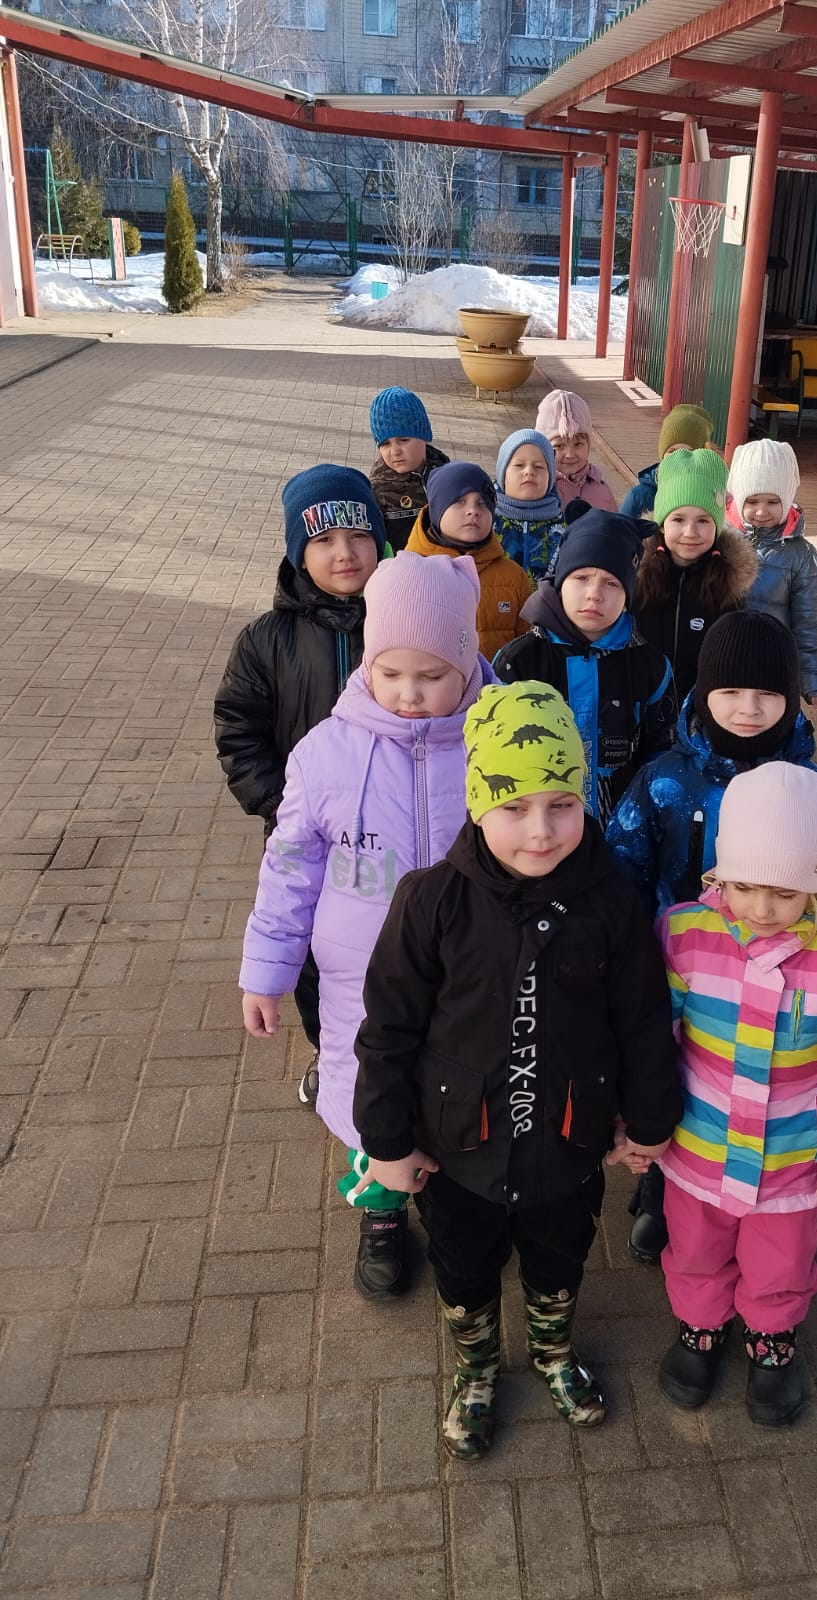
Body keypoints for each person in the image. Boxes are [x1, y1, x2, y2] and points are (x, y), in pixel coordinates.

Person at [351, 682, 683, 1460]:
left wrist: (649, 1122)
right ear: (477, 803)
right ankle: (474, 1369)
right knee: (463, 1268)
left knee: (560, 1259)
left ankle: (553, 1351)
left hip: (568, 1146)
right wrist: (387, 1142)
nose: (541, 830)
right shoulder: (431, 901)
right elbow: (389, 1030)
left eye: (562, 805)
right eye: (514, 806)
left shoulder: (611, 904)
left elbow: (641, 1020)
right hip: (456, 1152)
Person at [239, 552, 490, 1302]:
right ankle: (379, 1207)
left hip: (471, 973)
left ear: (467, 662)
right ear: (367, 663)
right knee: (371, 1096)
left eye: (432, 676)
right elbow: (289, 870)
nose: (410, 694)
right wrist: (267, 972)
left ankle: (464, 1205)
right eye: (391, 673)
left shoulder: (497, 742)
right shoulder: (326, 753)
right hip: (363, 980)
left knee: (463, 1092)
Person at [604, 610, 817, 1264]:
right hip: (683, 973)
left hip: (788, 977)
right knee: (680, 1078)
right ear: (704, 692)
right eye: (731, 691)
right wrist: (621, 960)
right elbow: (622, 871)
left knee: (761, 1086)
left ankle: (776, 1203)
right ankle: (663, 1187)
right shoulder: (664, 779)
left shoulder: (816, 792)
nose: (749, 708)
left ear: (790, 697)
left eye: (768, 693)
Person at [656, 761, 817, 1426]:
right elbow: (651, 1041)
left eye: (784, 892)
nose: (761, 909)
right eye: (744, 886)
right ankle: (700, 1324)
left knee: (781, 1260)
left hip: (790, 1160)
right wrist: (637, 1121)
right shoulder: (684, 936)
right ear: (720, 871)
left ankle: (771, 1335)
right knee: (695, 1247)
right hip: (699, 1144)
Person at [215, 464, 387, 1106]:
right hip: (308, 839)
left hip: (392, 834)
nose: (345, 553)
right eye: (323, 540)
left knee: (396, 945)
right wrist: (278, 802)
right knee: (320, 954)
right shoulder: (267, 640)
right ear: (297, 552)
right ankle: (331, 1052)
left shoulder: (403, 621)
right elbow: (238, 728)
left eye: (359, 535)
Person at [493, 507, 676, 825]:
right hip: (538, 833)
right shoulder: (518, 663)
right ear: (560, 581)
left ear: (628, 594)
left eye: (611, 583)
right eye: (581, 578)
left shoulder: (650, 667)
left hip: (620, 833)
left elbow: (662, 755)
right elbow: (494, 755)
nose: (594, 594)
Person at [633, 445, 756, 702]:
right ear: (662, 525)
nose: (690, 532)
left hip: (699, 705)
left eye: (703, 520)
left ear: (717, 525)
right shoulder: (638, 575)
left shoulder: (728, 582)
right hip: (641, 700)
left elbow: (733, 655)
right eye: (678, 519)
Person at [726, 438, 817, 705]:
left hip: (774, 660)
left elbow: (810, 621)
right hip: (724, 655)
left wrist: (814, 678)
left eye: (773, 501)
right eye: (752, 501)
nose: (762, 511)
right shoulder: (720, 540)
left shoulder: (801, 555)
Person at [405, 461, 532, 659]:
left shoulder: (513, 577)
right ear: (437, 508)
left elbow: (529, 647)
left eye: (482, 503)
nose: (473, 511)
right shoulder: (407, 572)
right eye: (460, 501)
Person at [366, 387, 449, 548]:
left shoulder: (448, 476)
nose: (395, 451)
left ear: (424, 437)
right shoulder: (377, 491)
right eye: (385, 444)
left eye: (403, 440)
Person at [492, 429, 568, 581]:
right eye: (519, 465)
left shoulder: (564, 530)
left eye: (539, 466)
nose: (529, 471)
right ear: (503, 474)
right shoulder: (486, 522)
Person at [619, 402, 714, 521]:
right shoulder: (640, 497)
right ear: (662, 454)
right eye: (672, 451)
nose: (678, 458)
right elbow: (618, 530)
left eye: (688, 452)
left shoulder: (711, 496)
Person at [535, 389, 618, 513]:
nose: (570, 454)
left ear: (588, 445)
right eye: (559, 446)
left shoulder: (602, 492)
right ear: (543, 448)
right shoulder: (536, 490)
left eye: (578, 444)